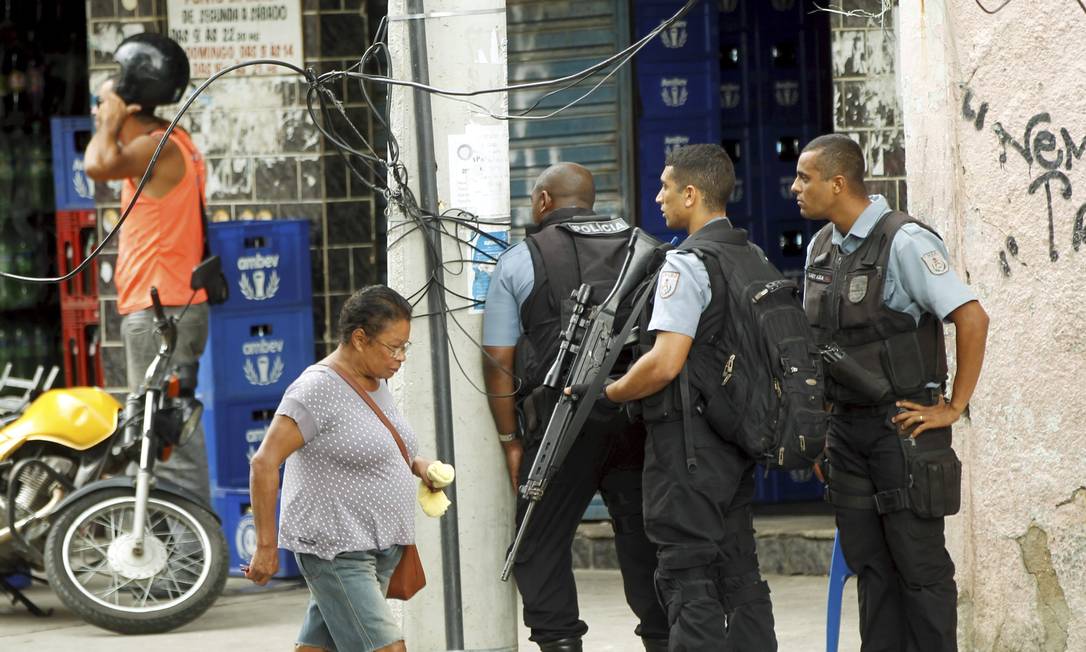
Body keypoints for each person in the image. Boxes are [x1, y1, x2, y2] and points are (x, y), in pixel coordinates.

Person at [792, 133, 989, 651]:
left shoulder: (904, 240)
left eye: (804, 178)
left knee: (919, 568)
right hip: (847, 433)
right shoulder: (820, 247)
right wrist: (822, 430)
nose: (795, 188)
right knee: (871, 569)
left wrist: (953, 407)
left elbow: (971, 316)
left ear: (838, 182)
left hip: (902, 430)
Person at [482, 163, 668, 652]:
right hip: (638, 421)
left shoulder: (522, 259)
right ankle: (664, 639)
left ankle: (560, 642)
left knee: (535, 543)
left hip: (560, 428)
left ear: (544, 202)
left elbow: (498, 361)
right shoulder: (644, 248)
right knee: (645, 540)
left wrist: (509, 441)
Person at [599, 144, 777, 651]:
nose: (658, 198)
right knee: (740, 570)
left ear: (692, 193)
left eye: (665, 187)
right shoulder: (752, 255)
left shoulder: (687, 263)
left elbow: (665, 361)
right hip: (737, 440)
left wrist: (612, 391)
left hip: (689, 450)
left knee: (687, 574)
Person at [246, 285, 437, 652]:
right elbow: (264, 462)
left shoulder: (377, 382)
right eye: (393, 347)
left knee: (320, 647)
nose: (400, 358)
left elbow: (366, 446)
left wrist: (416, 465)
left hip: (378, 547)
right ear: (360, 338)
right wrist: (266, 546)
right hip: (336, 549)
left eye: (405, 348)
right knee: (387, 648)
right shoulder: (316, 388)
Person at [84, 33, 211, 502]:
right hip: (170, 306)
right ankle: (178, 542)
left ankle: (192, 551)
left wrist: (109, 124)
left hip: (163, 309)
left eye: (104, 103)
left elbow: (96, 165)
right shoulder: (173, 141)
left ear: (129, 105)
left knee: (167, 432)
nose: (98, 111)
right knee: (159, 429)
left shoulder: (155, 146)